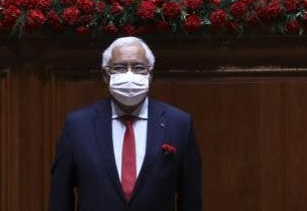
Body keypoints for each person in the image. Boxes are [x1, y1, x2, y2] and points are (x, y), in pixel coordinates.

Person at [49, 37, 202, 211]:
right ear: (106, 75)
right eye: (120, 67)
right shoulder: (77, 125)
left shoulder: (179, 123)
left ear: (150, 74)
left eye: (138, 68)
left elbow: (191, 199)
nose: (130, 74)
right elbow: (60, 197)